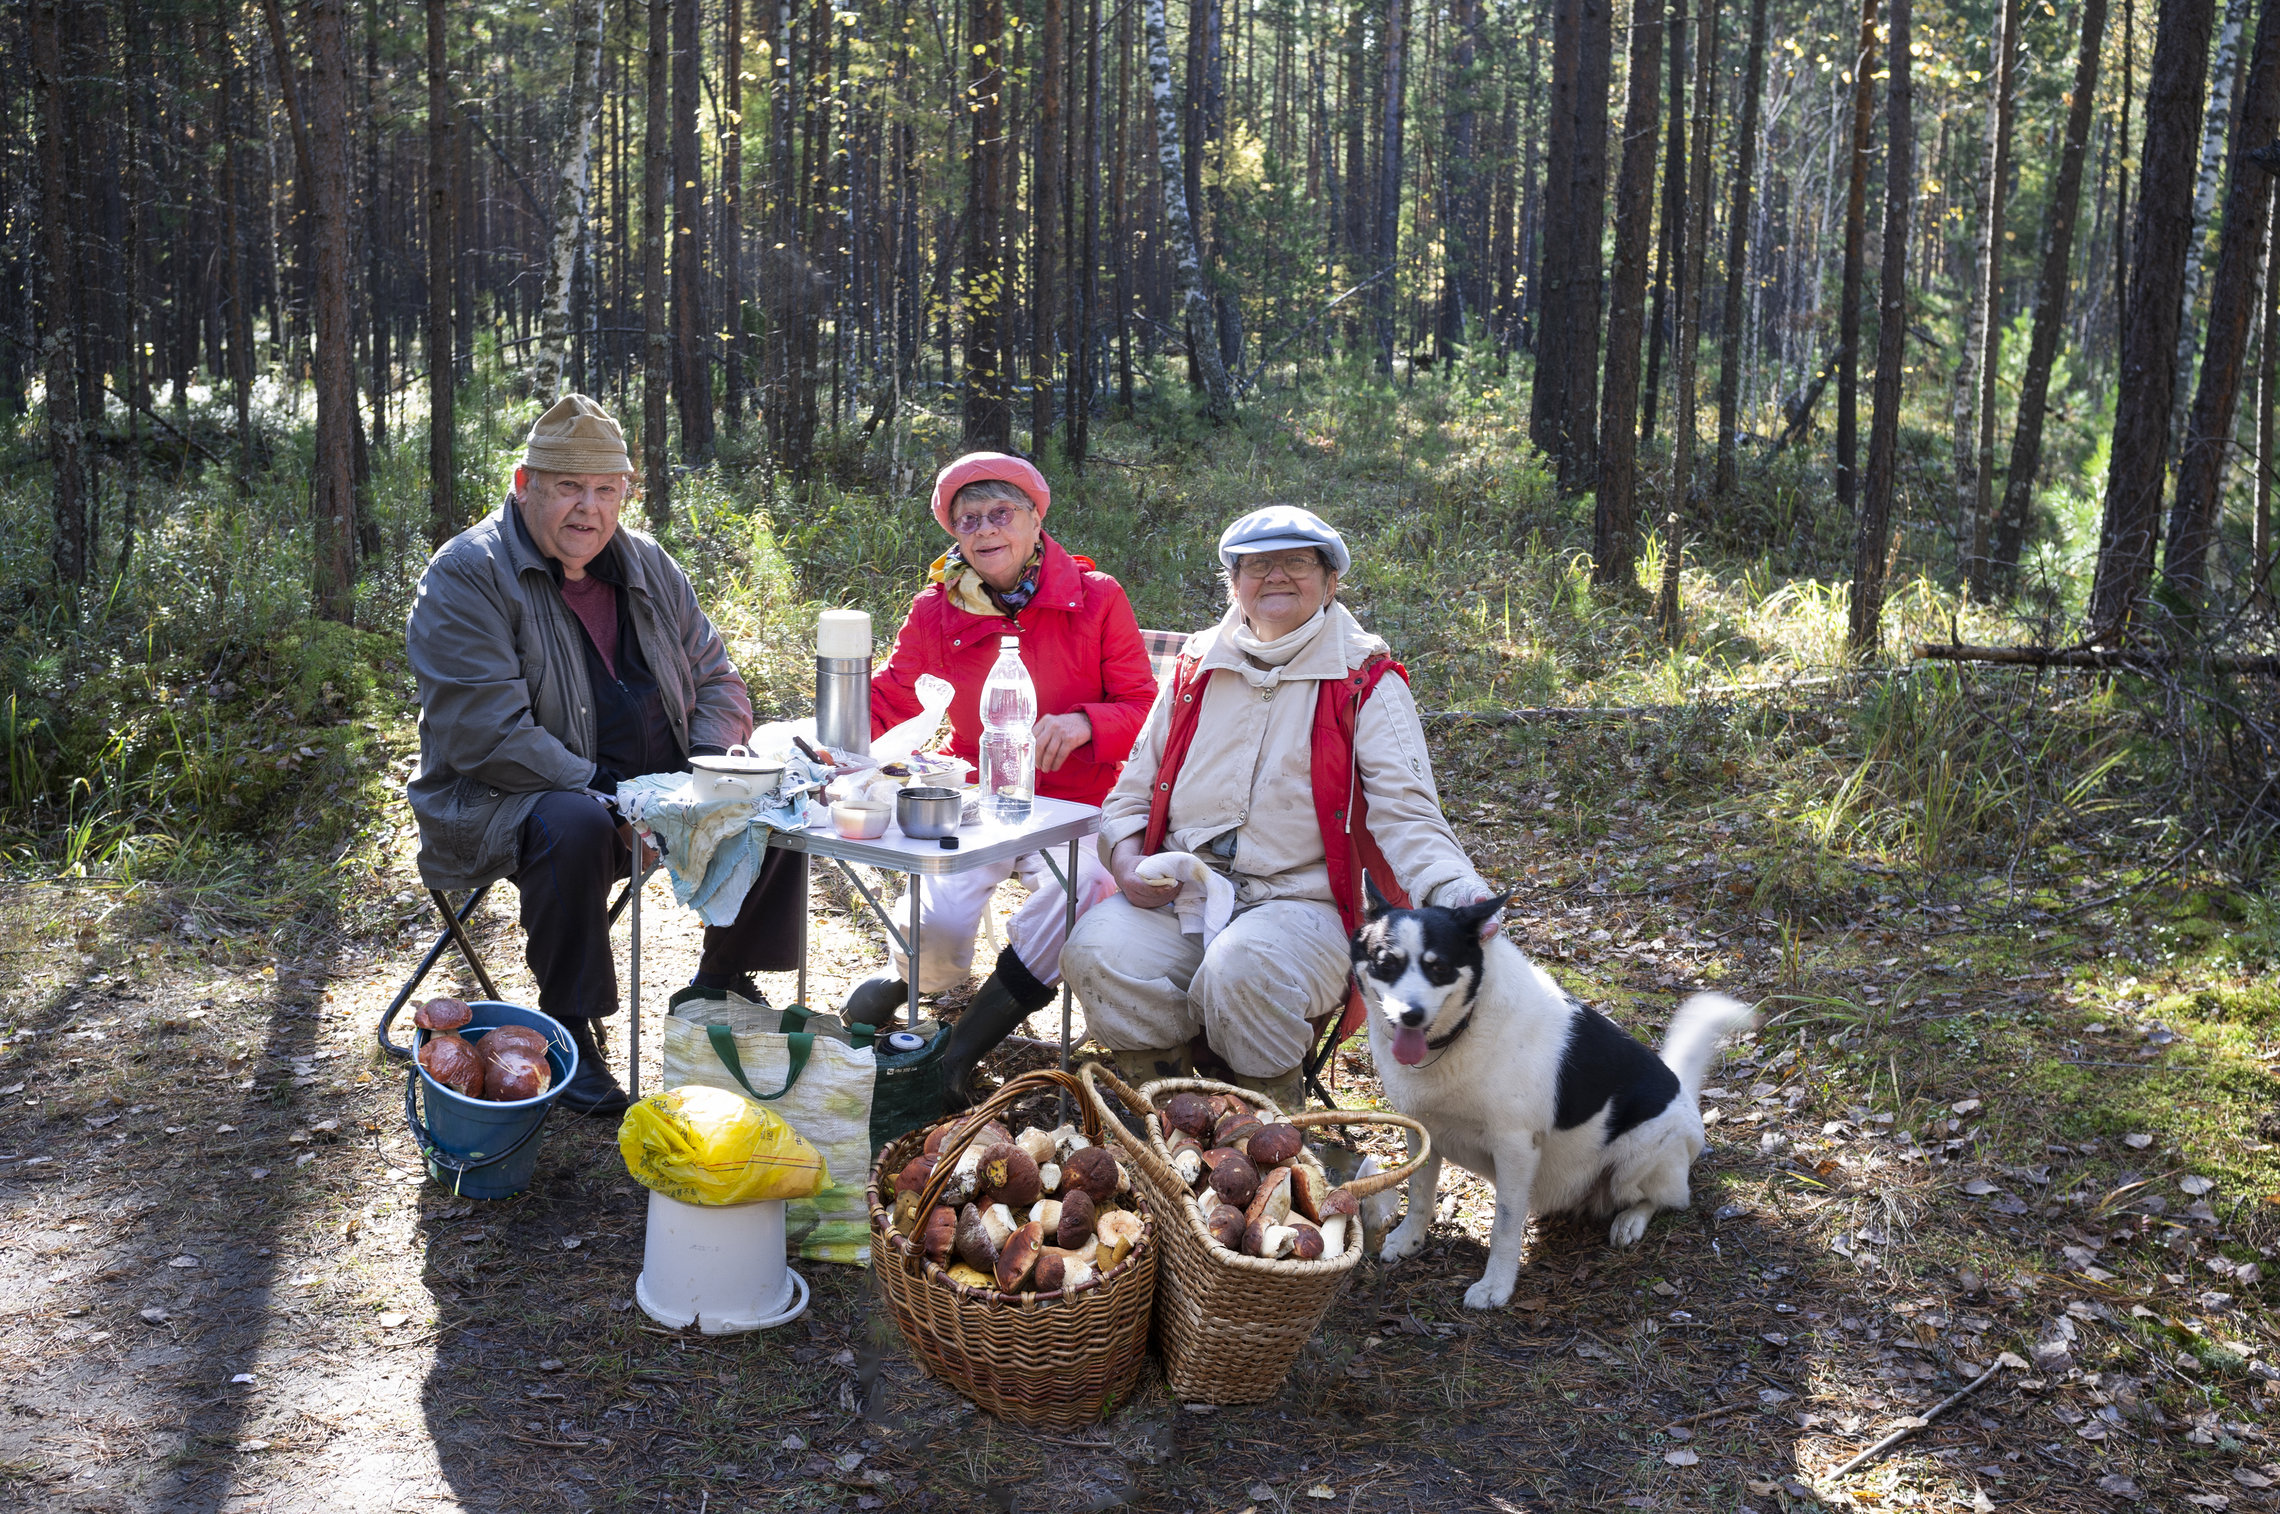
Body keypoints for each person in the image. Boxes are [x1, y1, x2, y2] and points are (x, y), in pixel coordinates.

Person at [405, 394, 803, 1115]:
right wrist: (609, 794)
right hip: (508, 802)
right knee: (574, 822)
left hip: (650, 796)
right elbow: (485, 733)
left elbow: (716, 677)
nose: (587, 510)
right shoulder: (467, 574)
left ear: (626, 493)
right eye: (567, 488)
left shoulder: (645, 561)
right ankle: (569, 1029)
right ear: (525, 485)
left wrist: (709, 772)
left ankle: (723, 978)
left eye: (605, 490)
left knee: (767, 782)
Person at [1060, 506, 1494, 1112]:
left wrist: (1453, 887)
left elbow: (1407, 814)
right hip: (1187, 892)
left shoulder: (1364, 680)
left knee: (1242, 969)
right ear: (1234, 582)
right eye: (1258, 566)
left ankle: (1268, 1134)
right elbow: (1130, 794)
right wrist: (1128, 860)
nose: (1277, 578)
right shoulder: (1195, 666)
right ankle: (1166, 1115)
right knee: (1096, 952)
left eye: (1297, 563)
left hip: (1307, 904)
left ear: (1330, 581)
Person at [854, 452, 1158, 1103]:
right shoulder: (938, 609)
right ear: (954, 534)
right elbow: (891, 700)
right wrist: (824, 737)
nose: (986, 531)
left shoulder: (1097, 598)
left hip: (1079, 804)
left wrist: (1084, 723)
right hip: (978, 799)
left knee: (1086, 887)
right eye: (968, 520)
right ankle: (868, 1021)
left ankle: (961, 1051)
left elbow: (1145, 711)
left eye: (1001, 513)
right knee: (933, 916)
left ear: (1033, 519)